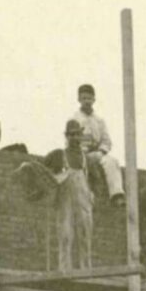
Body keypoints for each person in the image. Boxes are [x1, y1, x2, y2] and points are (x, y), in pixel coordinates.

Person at [47, 118, 94, 271]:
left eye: (77, 134)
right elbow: (43, 171)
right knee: (65, 234)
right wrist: (53, 179)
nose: (74, 138)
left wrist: (93, 195)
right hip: (65, 200)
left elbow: (95, 180)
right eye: (71, 135)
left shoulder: (86, 158)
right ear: (66, 136)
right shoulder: (59, 155)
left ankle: (86, 270)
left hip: (83, 200)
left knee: (85, 234)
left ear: (81, 136)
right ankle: (64, 270)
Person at [73, 84, 122, 203]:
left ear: (94, 99)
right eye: (84, 98)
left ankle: (116, 195)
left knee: (112, 161)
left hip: (98, 153)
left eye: (89, 98)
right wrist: (84, 148)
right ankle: (88, 196)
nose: (87, 101)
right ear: (79, 99)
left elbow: (106, 140)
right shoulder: (74, 119)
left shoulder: (99, 120)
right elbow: (73, 140)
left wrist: (101, 151)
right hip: (80, 153)